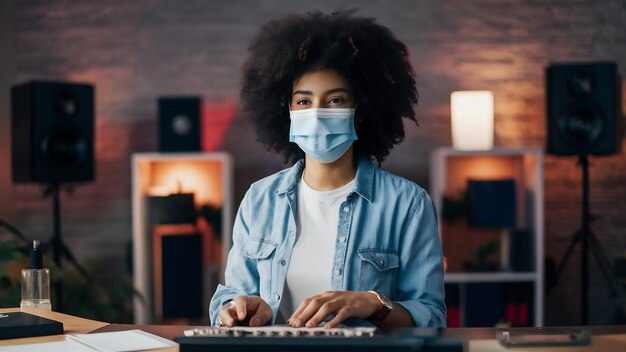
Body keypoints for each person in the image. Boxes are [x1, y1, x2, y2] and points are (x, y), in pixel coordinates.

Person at [209, 9, 446, 329]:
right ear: (287, 109)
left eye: (334, 100)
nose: (317, 114)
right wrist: (238, 308)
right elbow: (232, 294)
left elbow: (431, 315)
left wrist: (371, 304)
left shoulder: (407, 204)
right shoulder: (259, 199)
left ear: (361, 110)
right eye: (304, 102)